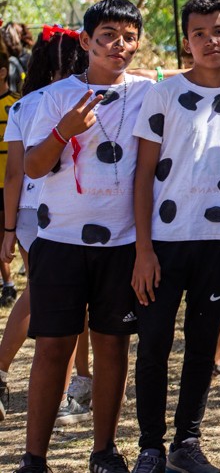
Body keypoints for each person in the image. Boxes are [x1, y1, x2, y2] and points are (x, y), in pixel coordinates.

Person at [129, 0, 220, 473]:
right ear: (186, 40)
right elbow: (143, 175)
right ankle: (150, 446)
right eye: (198, 33)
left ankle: (186, 445)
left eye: (218, 30)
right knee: (152, 345)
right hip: (165, 244)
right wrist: (143, 250)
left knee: (200, 347)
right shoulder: (163, 94)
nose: (210, 41)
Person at [17, 0, 152, 473]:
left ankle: (105, 451)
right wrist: (63, 130)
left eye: (129, 36)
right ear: (86, 41)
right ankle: (34, 457)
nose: (120, 45)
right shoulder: (54, 98)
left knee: (113, 344)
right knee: (53, 346)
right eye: (109, 35)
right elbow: (32, 166)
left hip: (121, 244)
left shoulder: (149, 93)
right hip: (59, 241)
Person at [0, 27, 88, 424]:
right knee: (64, 303)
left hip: (26, 218)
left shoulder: (22, 106)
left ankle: (76, 385)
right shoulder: (89, 99)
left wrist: (7, 229)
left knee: (47, 297)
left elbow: (13, 175)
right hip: (72, 214)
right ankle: (70, 388)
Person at [0, 44, 19, 307]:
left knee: (8, 233)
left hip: (10, 184)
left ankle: (11, 282)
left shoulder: (16, 104)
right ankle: (8, 283)